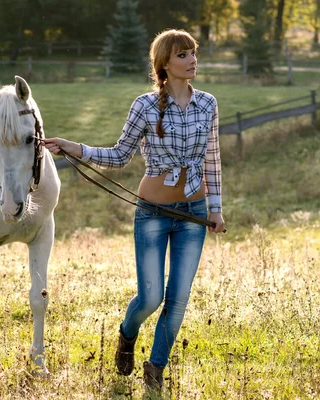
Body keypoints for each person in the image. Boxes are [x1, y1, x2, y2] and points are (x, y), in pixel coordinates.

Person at [43, 29, 225, 391]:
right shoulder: (144, 106)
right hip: (153, 213)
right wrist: (74, 148)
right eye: (183, 55)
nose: (192, 61)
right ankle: (127, 333)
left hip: (194, 211)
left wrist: (216, 209)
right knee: (151, 297)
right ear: (164, 64)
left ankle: (155, 369)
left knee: (178, 298)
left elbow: (212, 159)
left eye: (193, 53)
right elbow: (120, 155)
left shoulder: (208, 104)